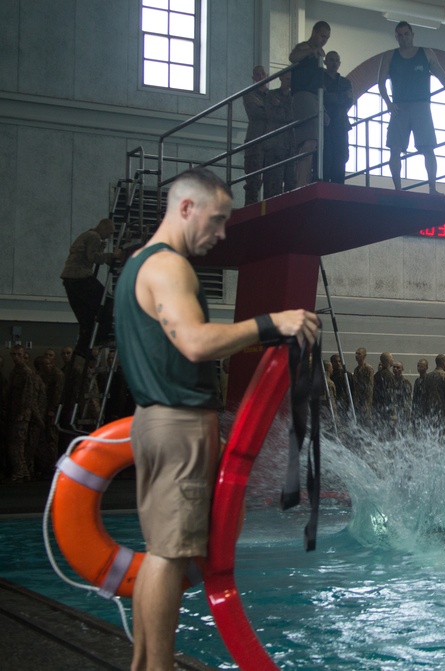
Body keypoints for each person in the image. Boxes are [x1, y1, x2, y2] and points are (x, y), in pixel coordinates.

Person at [113, 167, 319, 671]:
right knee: (168, 554)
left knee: (164, 550)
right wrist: (273, 323)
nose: (222, 233)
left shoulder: (137, 265)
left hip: (157, 422)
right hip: (178, 426)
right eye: (218, 219)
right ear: (186, 208)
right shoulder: (169, 268)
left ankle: (146, 663)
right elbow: (195, 342)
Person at [377, 21, 445, 194]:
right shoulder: (390, 56)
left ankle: (432, 188)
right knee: (395, 148)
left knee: (428, 148)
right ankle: (398, 189)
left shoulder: (426, 53)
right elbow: (380, 82)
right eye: (400, 35)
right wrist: (388, 103)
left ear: (412, 34)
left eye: (406, 34)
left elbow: (442, 76)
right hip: (400, 108)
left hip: (421, 106)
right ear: (396, 37)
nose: (403, 38)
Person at [60, 218, 122, 359]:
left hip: (69, 280)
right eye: (109, 232)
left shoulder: (85, 235)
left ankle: (82, 350)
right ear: (104, 228)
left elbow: (86, 254)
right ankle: (102, 337)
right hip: (81, 277)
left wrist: (101, 250)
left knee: (86, 319)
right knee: (107, 302)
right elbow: (92, 257)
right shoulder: (94, 237)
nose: (109, 236)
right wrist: (111, 256)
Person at [289, 21, 331, 189]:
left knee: (313, 143)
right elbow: (292, 57)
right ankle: (301, 183)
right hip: (303, 96)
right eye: (322, 36)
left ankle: (303, 181)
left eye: (327, 38)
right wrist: (311, 51)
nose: (324, 40)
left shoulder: (321, 53)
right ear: (314, 32)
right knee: (309, 140)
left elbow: (320, 84)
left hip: (315, 98)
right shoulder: (304, 48)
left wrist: (324, 109)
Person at [322, 51, 354, 184]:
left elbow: (349, 101)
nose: (334, 63)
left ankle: (338, 187)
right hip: (325, 124)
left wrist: (329, 95)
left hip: (341, 124)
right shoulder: (320, 79)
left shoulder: (345, 82)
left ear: (339, 63)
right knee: (326, 156)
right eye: (331, 60)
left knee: (341, 157)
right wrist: (340, 97)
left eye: (336, 60)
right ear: (325, 62)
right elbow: (320, 99)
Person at [242, 65, 269, 205]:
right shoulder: (249, 94)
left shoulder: (272, 96)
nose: (261, 76)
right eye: (257, 74)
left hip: (270, 141)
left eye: (262, 74)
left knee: (272, 179)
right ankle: (250, 209)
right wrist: (273, 108)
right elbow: (256, 112)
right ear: (253, 78)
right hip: (255, 140)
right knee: (253, 180)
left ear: (267, 75)